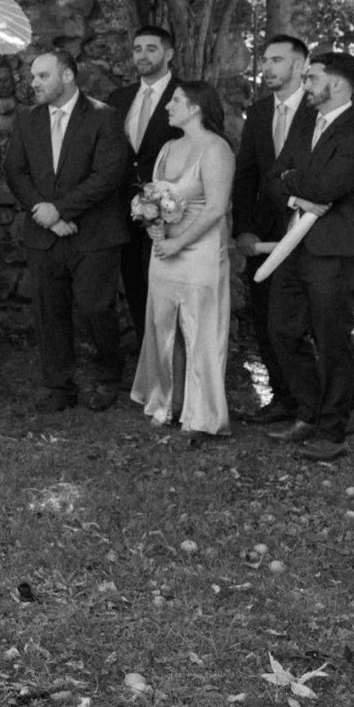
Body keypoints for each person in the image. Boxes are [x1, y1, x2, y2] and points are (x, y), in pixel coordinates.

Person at [4, 49, 131, 413]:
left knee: (95, 308)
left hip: (94, 233)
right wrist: (45, 214)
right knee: (48, 310)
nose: (34, 83)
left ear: (68, 76)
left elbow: (108, 175)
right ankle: (59, 385)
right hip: (44, 232)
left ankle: (108, 377)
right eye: (32, 77)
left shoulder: (104, 117)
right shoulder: (27, 119)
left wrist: (61, 209)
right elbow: (16, 172)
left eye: (42, 76)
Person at [267, 51, 354, 462]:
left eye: (312, 78)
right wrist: (298, 191)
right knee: (281, 327)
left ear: (338, 82)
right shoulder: (305, 123)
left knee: (331, 339)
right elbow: (275, 177)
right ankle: (310, 411)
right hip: (296, 245)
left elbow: (326, 187)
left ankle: (333, 431)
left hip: (338, 252)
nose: (306, 84)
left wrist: (298, 185)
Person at [128, 82, 236, 440]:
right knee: (162, 326)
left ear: (196, 107)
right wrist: (154, 229)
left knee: (199, 330)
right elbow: (154, 197)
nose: (168, 106)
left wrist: (179, 244)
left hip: (200, 253)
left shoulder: (216, 149)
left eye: (175, 100)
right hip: (164, 251)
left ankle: (202, 413)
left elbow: (217, 209)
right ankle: (166, 404)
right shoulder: (168, 147)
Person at [231, 34, 313, 424]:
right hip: (262, 231)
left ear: (300, 67)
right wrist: (243, 228)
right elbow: (246, 173)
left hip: (308, 229)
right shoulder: (259, 112)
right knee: (263, 314)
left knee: (299, 319)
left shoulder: (318, 110)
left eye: (276, 60)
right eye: (264, 60)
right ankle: (281, 397)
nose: (267, 67)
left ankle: (313, 402)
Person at [106, 25, 183, 357]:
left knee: (169, 286)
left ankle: (174, 360)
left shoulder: (187, 95)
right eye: (137, 49)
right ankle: (146, 358)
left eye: (151, 49)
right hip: (126, 211)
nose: (142, 55)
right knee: (135, 284)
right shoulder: (118, 99)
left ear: (168, 54)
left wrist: (171, 201)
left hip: (171, 211)